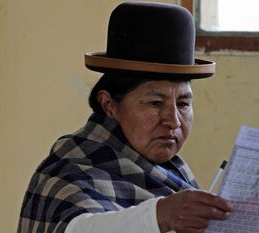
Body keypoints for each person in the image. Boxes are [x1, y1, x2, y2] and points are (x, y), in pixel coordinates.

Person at [17, 2, 232, 233]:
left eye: (183, 104)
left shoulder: (171, 172)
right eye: (155, 103)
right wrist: (161, 215)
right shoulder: (71, 168)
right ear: (109, 104)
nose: (173, 120)